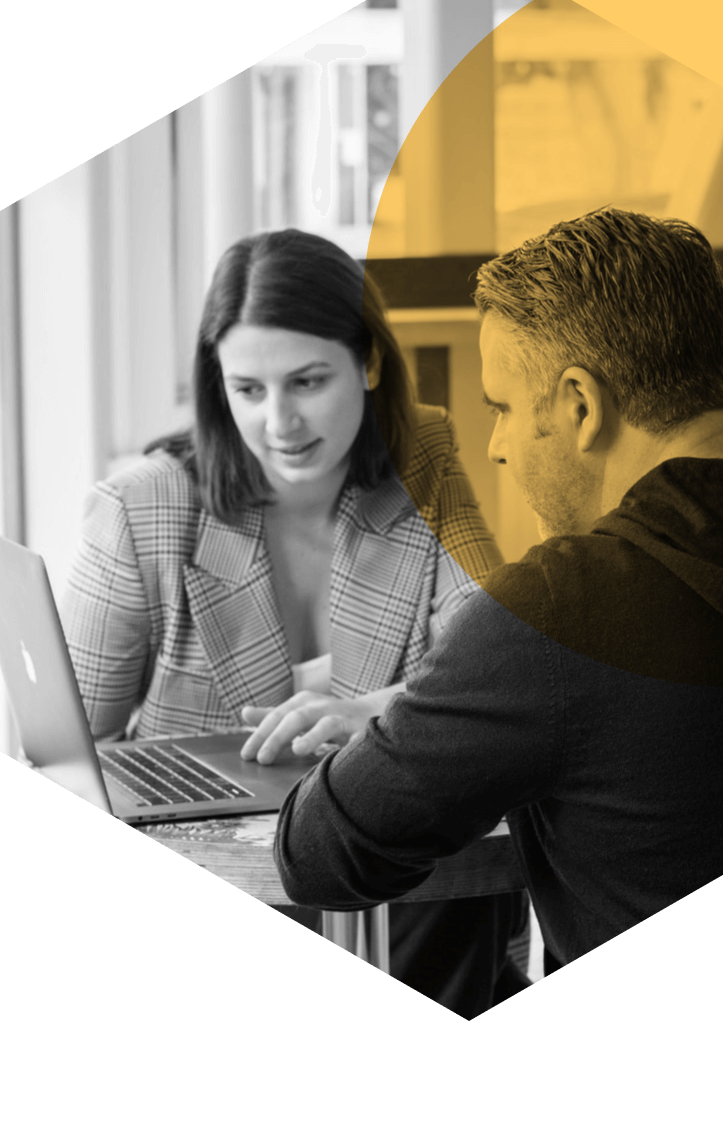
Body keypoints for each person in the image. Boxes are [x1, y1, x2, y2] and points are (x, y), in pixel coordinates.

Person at [273, 208, 723, 975]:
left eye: (502, 409)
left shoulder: (559, 611)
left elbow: (317, 853)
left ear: (581, 406)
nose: (495, 445)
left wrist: (437, 711)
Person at [60, 228, 531, 1014]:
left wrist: (374, 711)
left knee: (449, 882)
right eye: (248, 390)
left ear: (369, 363)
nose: (279, 421)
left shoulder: (421, 458)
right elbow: (70, 751)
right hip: (229, 869)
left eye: (307, 382)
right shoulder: (143, 509)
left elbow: (497, 668)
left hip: (385, 883)